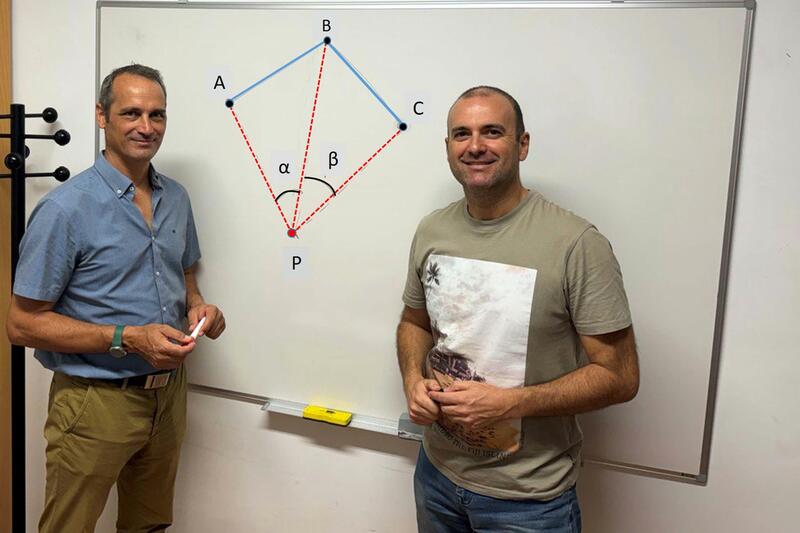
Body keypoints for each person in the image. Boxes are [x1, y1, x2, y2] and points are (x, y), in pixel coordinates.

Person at [397, 86, 639, 532]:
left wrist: (511, 404)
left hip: (528, 501)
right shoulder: (432, 231)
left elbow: (620, 376)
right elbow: (414, 322)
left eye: (492, 132)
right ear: (448, 147)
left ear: (522, 144)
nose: (475, 146)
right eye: (461, 134)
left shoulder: (576, 244)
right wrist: (413, 379)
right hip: (436, 475)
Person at [6, 64, 225, 532]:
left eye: (157, 115)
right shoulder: (65, 208)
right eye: (131, 113)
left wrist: (197, 305)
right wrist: (128, 337)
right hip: (95, 401)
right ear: (102, 116)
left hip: (168, 397)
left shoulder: (177, 198)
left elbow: (186, 273)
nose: (147, 127)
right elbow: (21, 324)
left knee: (149, 525)